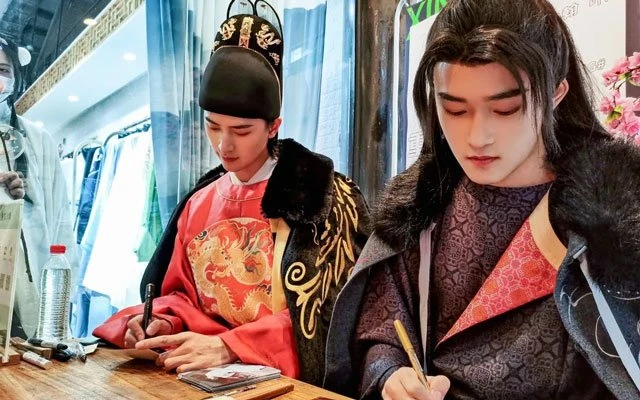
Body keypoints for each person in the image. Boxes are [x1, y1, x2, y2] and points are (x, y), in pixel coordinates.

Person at [324, 0, 640, 399]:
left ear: (557, 92)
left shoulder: (614, 222)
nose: (477, 137)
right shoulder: (422, 207)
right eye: (454, 109)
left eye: (506, 108)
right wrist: (391, 375)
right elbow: (382, 329)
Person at [93, 9, 371, 387]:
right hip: (199, 377)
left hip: (283, 382)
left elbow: (330, 313)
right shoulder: (198, 203)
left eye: (241, 131)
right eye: (213, 126)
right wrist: (161, 321)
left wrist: (230, 346)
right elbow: (181, 295)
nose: (224, 145)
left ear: (273, 126)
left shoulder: (322, 196)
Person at [0, 37, 78, 338]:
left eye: (3, 70)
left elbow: (60, 217)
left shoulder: (37, 139)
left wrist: (64, 291)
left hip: (30, 277)